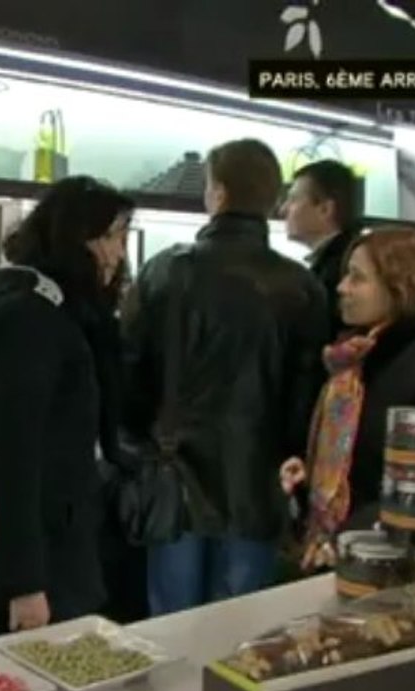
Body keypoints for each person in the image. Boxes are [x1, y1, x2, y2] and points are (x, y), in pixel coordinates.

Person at [122, 139, 328, 615]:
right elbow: (307, 396)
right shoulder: (302, 286)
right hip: (260, 484)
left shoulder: (165, 272)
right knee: (237, 632)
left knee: (170, 628)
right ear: (272, 200)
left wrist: (137, 451)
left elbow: (129, 373)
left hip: (175, 480)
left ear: (216, 194)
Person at [0, 176, 135, 631]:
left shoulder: (59, 312)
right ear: (75, 238)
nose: (118, 253)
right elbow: (8, 459)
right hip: (44, 554)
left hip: (64, 536)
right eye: (111, 236)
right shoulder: (28, 319)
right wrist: (24, 583)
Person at [281, 228, 415, 566]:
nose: (341, 288)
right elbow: (361, 459)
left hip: (395, 568)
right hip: (340, 556)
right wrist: (310, 472)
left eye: (357, 278)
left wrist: (352, 536)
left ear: (401, 286)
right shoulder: (356, 362)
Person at [283, 159, 363, 339]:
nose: (283, 209)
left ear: (325, 209)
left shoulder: (340, 270)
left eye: (293, 199)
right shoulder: (345, 259)